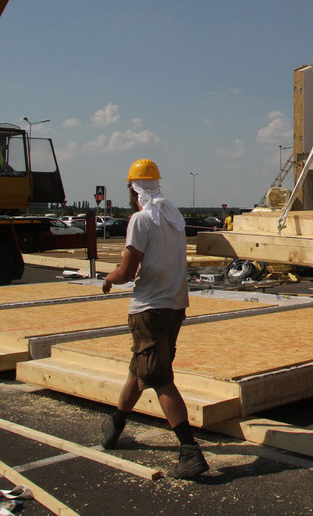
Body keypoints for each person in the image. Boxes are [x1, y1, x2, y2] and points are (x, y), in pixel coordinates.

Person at [100, 158, 208, 479]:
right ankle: (116, 423)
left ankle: (190, 452)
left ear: (133, 188)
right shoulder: (173, 216)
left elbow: (126, 271)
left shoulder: (141, 219)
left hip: (149, 309)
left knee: (159, 377)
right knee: (141, 369)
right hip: (175, 307)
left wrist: (108, 278)